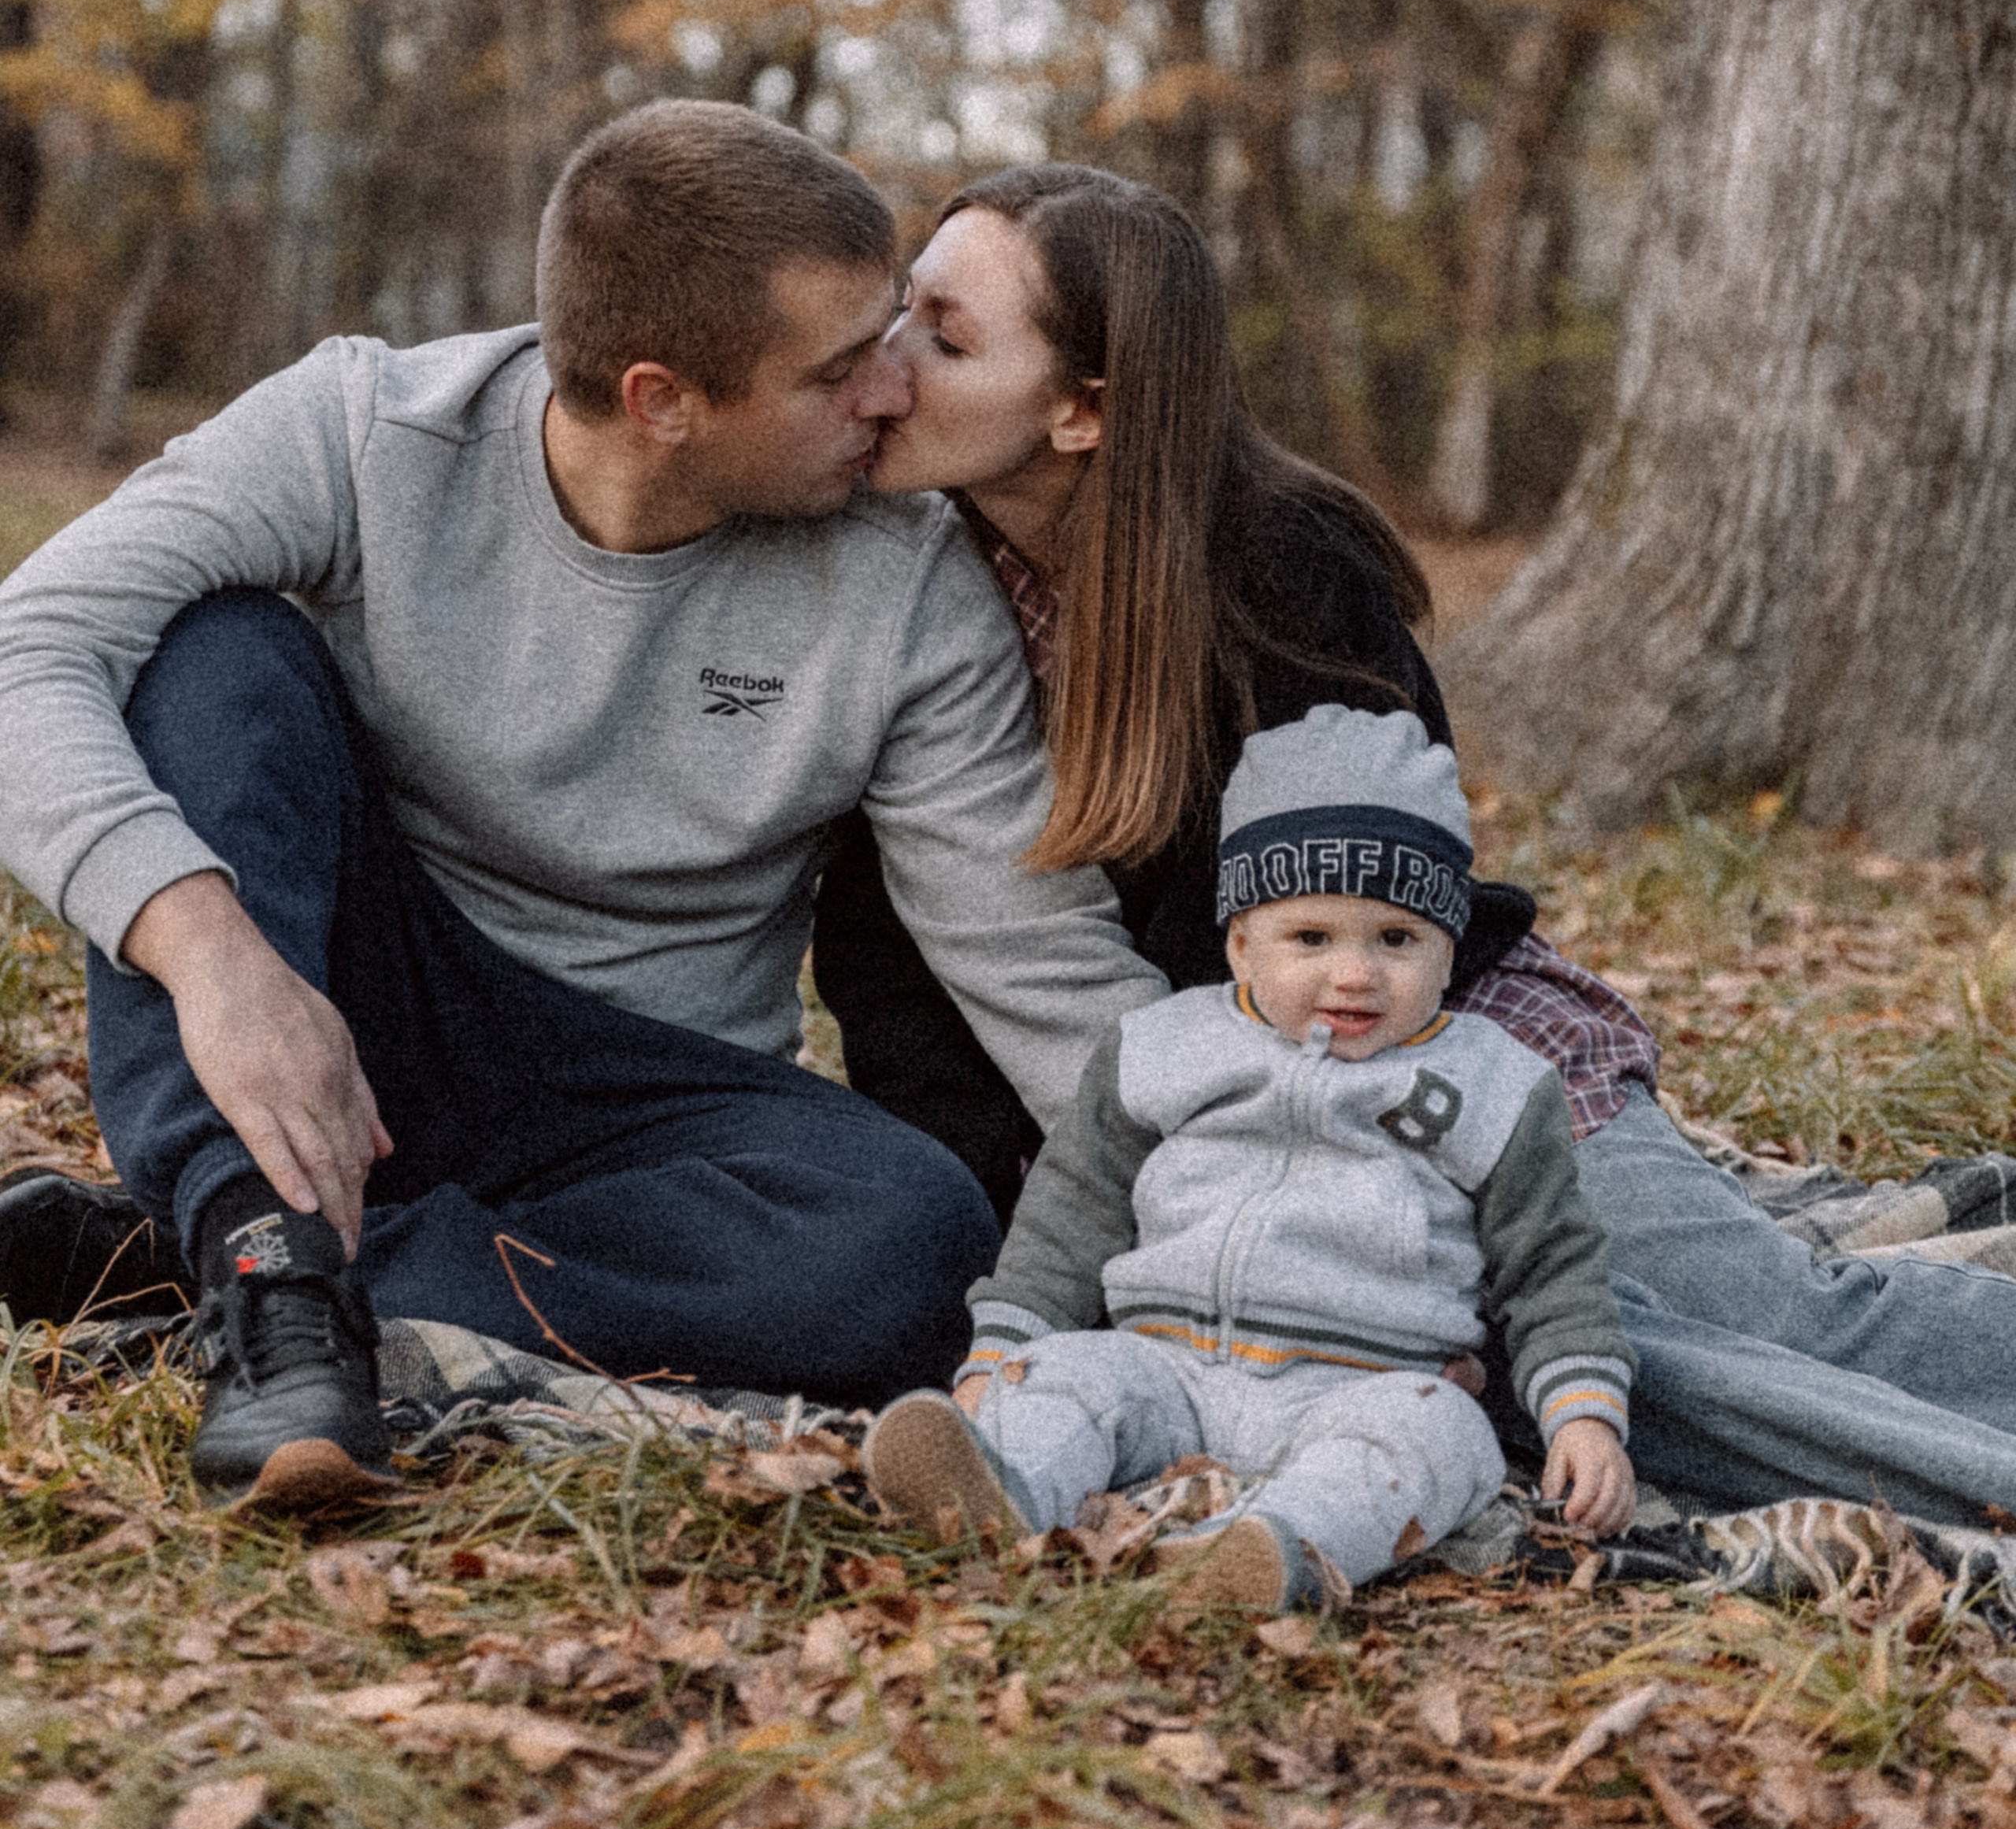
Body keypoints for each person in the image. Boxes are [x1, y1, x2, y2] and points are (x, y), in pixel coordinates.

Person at [0, 104, 1164, 1507]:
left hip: (646, 1101)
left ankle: (245, 1264)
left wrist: (1274, 1229)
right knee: (211, 652)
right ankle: (270, 1276)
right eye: (840, 368)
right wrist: (209, 952)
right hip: (356, 992)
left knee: (913, 1237)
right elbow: (30, 644)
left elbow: (1035, 960)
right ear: (663, 401)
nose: (892, 395)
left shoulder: (909, 582)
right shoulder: (371, 430)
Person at [845, 161, 2016, 1528]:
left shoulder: (1280, 565)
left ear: (1082, 412)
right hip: (1215, 1136)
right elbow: (895, 959)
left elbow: (1388, 890)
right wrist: (1066, 1221)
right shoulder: (913, 588)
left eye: (946, 334)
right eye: (901, 312)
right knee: (1575, 1374)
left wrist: (1343, 1171)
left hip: (1432, 1047)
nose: (888, 364)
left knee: (1769, 1311)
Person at [865, 705, 1634, 1609]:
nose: (1354, 973)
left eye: (1396, 939)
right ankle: (1002, 1487)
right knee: (1069, 1380)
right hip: (1166, 1363)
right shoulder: (1161, 1049)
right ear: (1240, 943)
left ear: (1447, 945)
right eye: (1310, 939)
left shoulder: (1494, 1087)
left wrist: (1583, 1412)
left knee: (1443, 1438)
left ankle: (1272, 1549)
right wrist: (1001, 1350)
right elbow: (1072, 1216)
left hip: (1359, 1387)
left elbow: (1552, 1267)